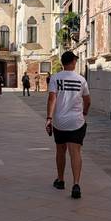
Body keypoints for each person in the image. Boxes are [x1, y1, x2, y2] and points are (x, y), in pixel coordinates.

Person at [46, 50, 90, 200]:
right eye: (75, 61)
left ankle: (60, 180)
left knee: (60, 150)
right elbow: (88, 100)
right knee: (75, 152)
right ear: (72, 62)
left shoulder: (55, 78)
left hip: (59, 121)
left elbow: (52, 99)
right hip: (77, 121)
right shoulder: (81, 80)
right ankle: (76, 184)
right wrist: (84, 113)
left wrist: (49, 118)